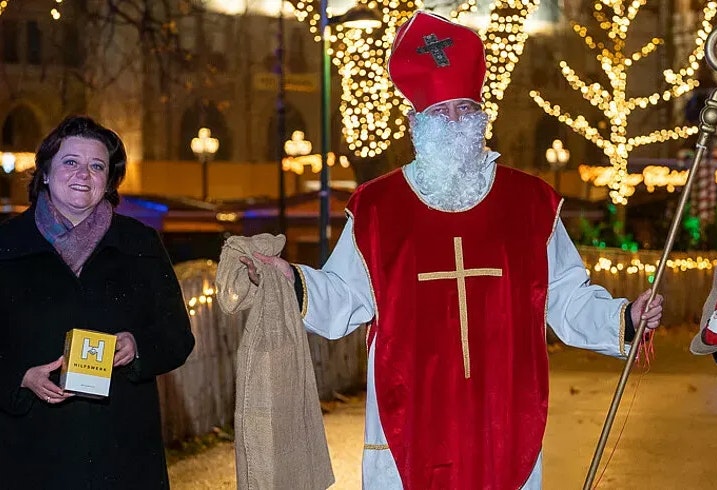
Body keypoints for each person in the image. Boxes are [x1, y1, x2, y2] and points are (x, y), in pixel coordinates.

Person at [242, 11, 663, 489]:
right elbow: (343, 297)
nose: (456, 121)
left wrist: (625, 318)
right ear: (416, 122)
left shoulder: (529, 204)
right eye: (442, 112)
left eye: (466, 108)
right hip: (411, 417)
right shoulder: (378, 210)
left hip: (502, 415)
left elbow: (567, 297)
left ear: (482, 115)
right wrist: (287, 277)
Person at [0, 115, 196, 488]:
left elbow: (177, 336)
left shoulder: (141, 245)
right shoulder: (6, 245)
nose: (83, 174)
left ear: (109, 181)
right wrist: (18, 377)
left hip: (122, 451)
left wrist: (137, 346)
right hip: (27, 452)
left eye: (97, 166)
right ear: (44, 172)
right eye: (70, 162)